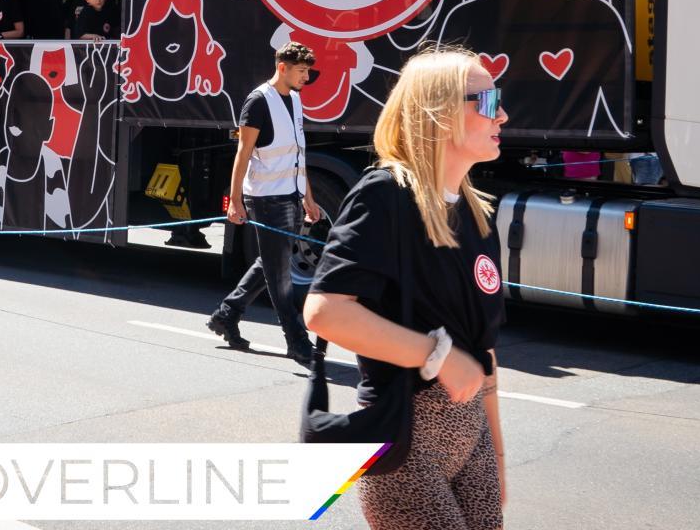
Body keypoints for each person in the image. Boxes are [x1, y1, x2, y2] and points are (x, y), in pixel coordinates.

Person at [304, 49, 508, 530]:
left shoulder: (478, 214)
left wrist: (497, 455)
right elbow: (325, 311)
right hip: (403, 440)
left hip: (470, 437)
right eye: (488, 99)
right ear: (439, 110)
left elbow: (485, 352)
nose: (502, 114)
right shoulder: (384, 195)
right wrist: (436, 354)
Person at [207, 41, 322, 367]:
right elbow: (242, 155)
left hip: (291, 195)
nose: (306, 77)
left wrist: (309, 198)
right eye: (302, 71)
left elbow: (298, 155)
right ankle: (297, 343)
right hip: (267, 198)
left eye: (308, 71)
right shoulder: (258, 102)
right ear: (282, 67)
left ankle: (226, 314)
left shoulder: (296, 99)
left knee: (273, 262)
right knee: (279, 273)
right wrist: (236, 202)